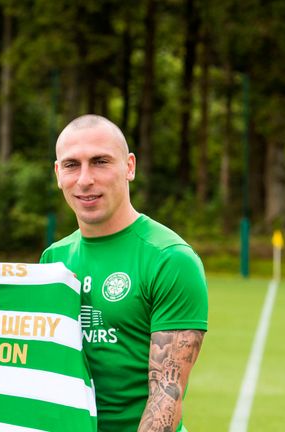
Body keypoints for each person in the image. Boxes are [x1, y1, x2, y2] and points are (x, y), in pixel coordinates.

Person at [40, 114, 208, 431]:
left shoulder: (170, 259)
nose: (85, 179)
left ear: (129, 166)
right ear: (58, 173)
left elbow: (167, 393)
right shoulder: (53, 260)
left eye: (100, 162)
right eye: (72, 165)